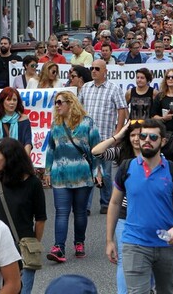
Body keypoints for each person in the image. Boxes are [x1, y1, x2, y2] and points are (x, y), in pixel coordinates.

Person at [105, 119, 173, 294]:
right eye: (143, 136)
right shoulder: (126, 167)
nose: (146, 140)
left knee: (167, 291)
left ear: (163, 141)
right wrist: (110, 240)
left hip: (166, 245)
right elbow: (114, 203)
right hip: (135, 244)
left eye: (153, 137)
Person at [0, 138, 47, 294]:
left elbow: (40, 219)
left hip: (24, 248)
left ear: (9, 157)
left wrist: (33, 245)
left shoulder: (33, 183)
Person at [44, 91, 101, 263]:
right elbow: (50, 150)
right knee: (61, 212)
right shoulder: (56, 125)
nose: (57, 106)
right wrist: (47, 171)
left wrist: (98, 172)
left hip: (82, 174)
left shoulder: (87, 123)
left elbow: (96, 149)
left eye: (60, 102)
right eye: (56, 103)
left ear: (71, 103)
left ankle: (79, 242)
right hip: (60, 175)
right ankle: (58, 247)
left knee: (80, 212)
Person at [92, 120, 144, 294]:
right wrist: (118, 135)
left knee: (148, 259)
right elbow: (96, 152)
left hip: (146, 214)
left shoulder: (153, 155)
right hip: (124, 213)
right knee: (124, 259)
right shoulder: (121, 152)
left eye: (140, 135)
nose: (137, 139)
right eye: (133, 135)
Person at [79, 59, 128, 214]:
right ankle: (85, 206)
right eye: (92, 68)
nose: (93, 71)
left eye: (97, 69)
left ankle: (106, 203)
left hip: (106, 136)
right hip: (87, 138)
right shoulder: (85, 88)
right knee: (87, 172)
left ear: (105, 71)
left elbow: (121, 108)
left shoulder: (114, 89)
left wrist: (118, 130)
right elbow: (79, 109)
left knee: (105, 173)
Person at [0, 87, 32, 154]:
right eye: (8, 100)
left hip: (17, 160)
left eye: (14, 100)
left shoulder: (24, 120)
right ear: (2, 101)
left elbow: (28, 142)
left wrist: (24, 160)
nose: (12, 103)